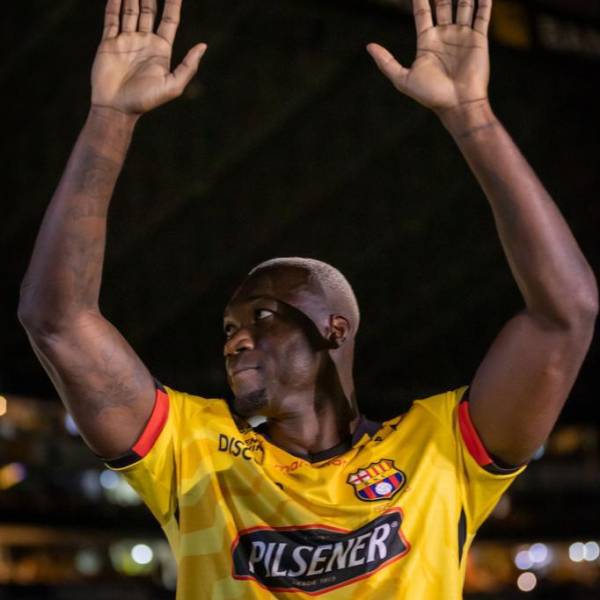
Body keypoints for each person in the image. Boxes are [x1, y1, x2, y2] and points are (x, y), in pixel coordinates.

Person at [18, 0, 597, 598]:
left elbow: (567, 314)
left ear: (334, 329)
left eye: (261, 317)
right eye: (227, 329)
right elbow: (56, 321)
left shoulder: (439, 449)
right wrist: (110, 117)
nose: (234, 341)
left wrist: (471, 115)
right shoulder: (192, 450)